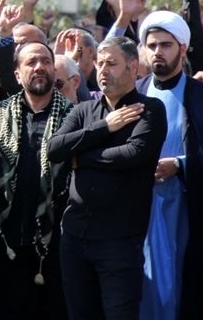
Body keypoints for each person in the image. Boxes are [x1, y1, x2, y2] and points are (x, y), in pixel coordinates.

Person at [134, 8, 203, 320]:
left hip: (185, 209)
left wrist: (181, 166)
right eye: (152, 45)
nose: (158, 52)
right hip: (141, 209)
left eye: (165, 45)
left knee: (178, 292)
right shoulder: (136, 92)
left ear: (182, 48)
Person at [48, 36, 166, 320]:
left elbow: (132, 154)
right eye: (100, 63)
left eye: (112, 63)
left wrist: (81, 158)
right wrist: (104, 127)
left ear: (133, 67)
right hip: (75, 236)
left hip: (119, 242)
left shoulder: (148, 109)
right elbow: (54, 149)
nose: (103, 70)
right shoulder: (83, 110)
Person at [0, 40, 73, 320]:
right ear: (17, 74)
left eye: (46, 61)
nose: (40, 67)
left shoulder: (76, 117)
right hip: (6, 246)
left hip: (57, 247)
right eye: (31, 62)